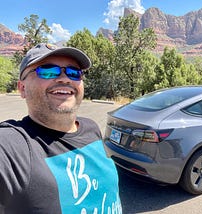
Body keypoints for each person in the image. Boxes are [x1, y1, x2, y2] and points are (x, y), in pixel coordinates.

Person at [0, 43, 122, 213]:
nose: (65, 79)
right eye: (48, 71)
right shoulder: (12, 148)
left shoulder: (91, 128)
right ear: (22, 88)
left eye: (73, 72)